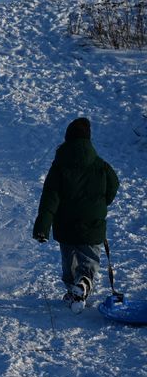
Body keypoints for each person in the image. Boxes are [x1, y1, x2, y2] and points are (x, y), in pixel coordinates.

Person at [33, 118, 119, 306]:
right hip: (92, 224)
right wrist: (101, 205)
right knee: (88, 259)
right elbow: (113, 185)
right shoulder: (101, 165)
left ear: (67, 139)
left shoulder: (59, 166)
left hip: (65, 224)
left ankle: (74, 289)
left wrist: (42, 226)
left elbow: (50, 197)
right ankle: (84, 283)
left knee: (69, 261)